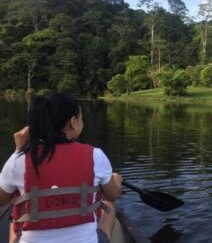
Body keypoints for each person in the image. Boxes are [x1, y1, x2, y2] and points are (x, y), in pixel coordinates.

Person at [0, 93, 122, 243]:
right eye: (81, 118)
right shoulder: (96, 155)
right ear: (73, 122)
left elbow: (1, 200)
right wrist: (116, 180)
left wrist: (17, 151)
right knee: (108, 205)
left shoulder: (18, 160)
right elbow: (113, 195)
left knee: (15, 213)